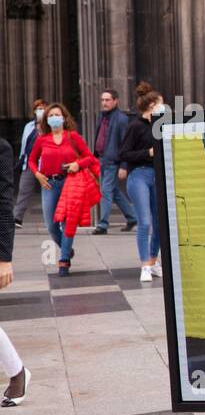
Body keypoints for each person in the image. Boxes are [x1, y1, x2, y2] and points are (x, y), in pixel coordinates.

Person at [27, 102, 95, 276]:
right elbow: (32, 160)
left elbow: (89, 157)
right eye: (50, 116)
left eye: (57, 115)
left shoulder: (73, 137)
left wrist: (76, 164)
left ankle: (64, 260)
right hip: (49, 184)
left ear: (64, 118)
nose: (54, 118)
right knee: (51, 225)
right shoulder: (42, 139)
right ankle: (67, 248)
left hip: (70, 183)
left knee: (68, 223)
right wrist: (37, 174)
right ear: (46, 120)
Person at [117, 82, 165, 282]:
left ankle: (153, 262)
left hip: (157, 175)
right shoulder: (135, 125)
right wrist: (148, 152)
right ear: (152, 104)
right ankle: (144, 264)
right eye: (161, 104)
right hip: (139, 175)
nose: (164, 107)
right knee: (144, 221)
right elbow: (124, 152)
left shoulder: (161, 125)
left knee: (159, 223)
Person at [1, 136, 31, 406]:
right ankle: (17, 373)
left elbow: (4, 207)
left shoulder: (2, 148)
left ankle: (18, 373)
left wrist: (4, 259)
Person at [91, 88, 138, 235]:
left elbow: (126, 143)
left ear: (115, 101)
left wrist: (124, 165)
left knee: (105, 191)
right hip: (103, 159)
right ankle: (132, 218)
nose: (104, 103)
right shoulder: (103, 116)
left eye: (107, 100)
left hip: (112, 160)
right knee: (114, 191)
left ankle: (103, 224)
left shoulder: (121, 119)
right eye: (103, 100)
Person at [12, 98, 45, 228]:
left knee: (48, 191)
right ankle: (17, 218)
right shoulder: (29, 126)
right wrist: (21, 159)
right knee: (24, 190)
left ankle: (55, 218)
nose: (40, 111)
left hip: (45, 163)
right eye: (38, 109)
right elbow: (25, 144)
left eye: (42, 108)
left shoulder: (49, 125)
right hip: (29, 162)